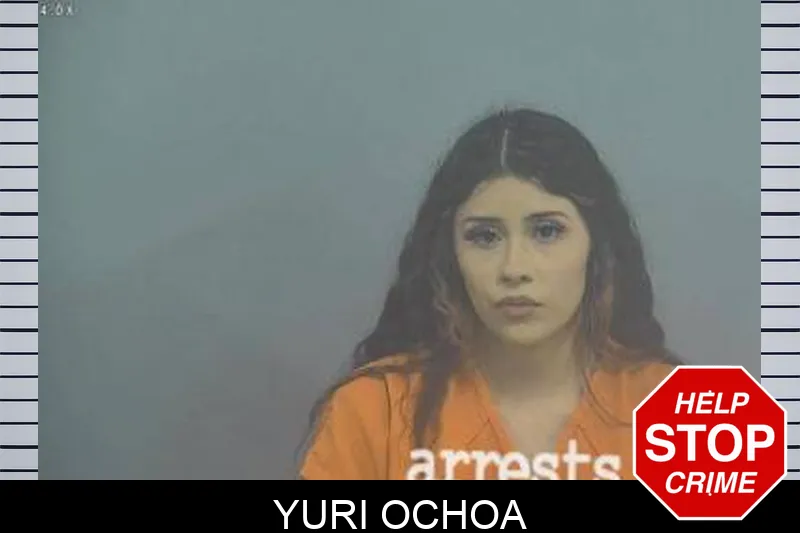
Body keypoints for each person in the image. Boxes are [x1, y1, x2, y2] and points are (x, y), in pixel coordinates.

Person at [296, 107, 681, 480]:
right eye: (484, 236)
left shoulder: (680, 413)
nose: (514, 269)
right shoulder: (372, 409)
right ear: (448, 254)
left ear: (598, 247)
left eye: (547, 231)